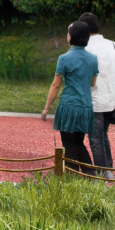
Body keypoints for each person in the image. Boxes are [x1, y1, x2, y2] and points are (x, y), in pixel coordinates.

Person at [41, 21, 99, 175]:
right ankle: (89, 174)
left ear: (72, 36)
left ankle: (72, 177)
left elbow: (55, 85)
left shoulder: (64, 58)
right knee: (79, 143)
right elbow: (93, 83)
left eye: (68, 32)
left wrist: (47, 107)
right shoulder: (93, 59)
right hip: (85, 106)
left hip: (68, 106)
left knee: (68, 145)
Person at [80, 13, 115, 180]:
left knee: (95, 138)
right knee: (103, 134)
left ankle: (102, 174)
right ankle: (108, 169)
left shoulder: (83, 47)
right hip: (112, 100)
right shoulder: (113, 45)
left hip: (93, 101)